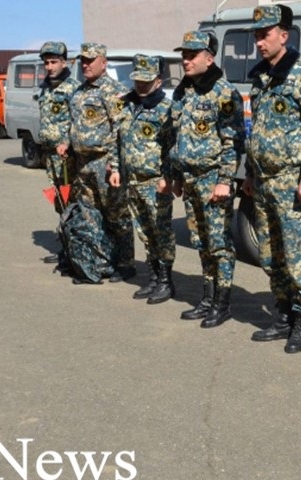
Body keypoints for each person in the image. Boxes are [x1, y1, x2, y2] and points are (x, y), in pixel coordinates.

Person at [243, 4, 301, 353]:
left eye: (265, 35)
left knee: (297, 255)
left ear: (284, 35)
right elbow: (256, 132)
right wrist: (250, 174)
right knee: (270, 254)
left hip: (291, 182)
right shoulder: (260, 78)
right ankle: (282, 314)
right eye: (256, 36)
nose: (259, 42)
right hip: (264, 182)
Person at [170, 31, 245, 328]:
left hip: (213, 180)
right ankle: (208, 297)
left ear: (209, 59)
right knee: (201, 241)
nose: (186, 61)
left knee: (219, 244)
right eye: (184, 56)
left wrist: (225, 180)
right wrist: (176, 175)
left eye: (192, 55)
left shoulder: (224, 93)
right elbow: (177, 136)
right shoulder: (184, 92)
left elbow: (233, 141)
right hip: (190, 180)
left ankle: (222, 303)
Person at [66, 42, 135, 283]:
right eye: (83, 60)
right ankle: (100, 261)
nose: (85, 65)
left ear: (103, 63)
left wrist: (115, 165)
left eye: (90, 60)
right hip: (82, 163)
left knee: (116, 214)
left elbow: (120, 130)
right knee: (90, 215)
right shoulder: (78, 92)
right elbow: (74, 125)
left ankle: (126, 263)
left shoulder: (114, 91)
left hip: (104, 161)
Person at [117, 54, 177, 304]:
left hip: (154, 182)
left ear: (158, 81)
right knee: (145, 232)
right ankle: (153, 277)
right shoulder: (127, 105)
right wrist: (115, 169)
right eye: (137, 81)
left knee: (161, 233)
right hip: (132, 181)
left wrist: (168, 178)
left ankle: (166, 281)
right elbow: (118, 140)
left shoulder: (166, 110)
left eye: (146, 81)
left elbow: (172, 148)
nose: (140, 86)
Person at [37, 40, 77, 265]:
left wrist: (67, 143)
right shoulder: (45, 88)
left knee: (72, 201)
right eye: (46, 63)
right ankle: (66, 248)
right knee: (59, 202)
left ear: (64, 62)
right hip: (50, 155)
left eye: (54, 62)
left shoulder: (73, 88)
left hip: (67, 157)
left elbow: (79, 122)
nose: (49, 67)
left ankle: (76, 250)